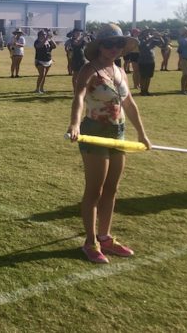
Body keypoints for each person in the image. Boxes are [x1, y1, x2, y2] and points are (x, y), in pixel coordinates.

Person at [67, 23, 150, 264]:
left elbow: (130, 104)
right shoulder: (89, 70)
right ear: (99, 46)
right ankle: (90, 242)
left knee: (112, 189)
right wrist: (74, 124)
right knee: (95, 190)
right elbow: (79, 98)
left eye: (118, 43)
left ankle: (105, 237)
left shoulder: (120, 71)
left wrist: (142, 134)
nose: (113, 48)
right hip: (95, 131)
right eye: (108, 43)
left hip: (118, 132)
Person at [136, 30, 162, 96]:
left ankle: (146, 90)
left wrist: (160, 37)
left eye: (148, 32)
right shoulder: (140, 39)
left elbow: (162, 44)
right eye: (146, 32)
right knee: (143, 77)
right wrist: (152, 38)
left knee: (149, 77)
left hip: (151, 60)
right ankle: (142, 91)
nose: (148, 33)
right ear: (143, 33)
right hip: (143, 61)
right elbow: (142, 45)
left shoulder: (152, 40)